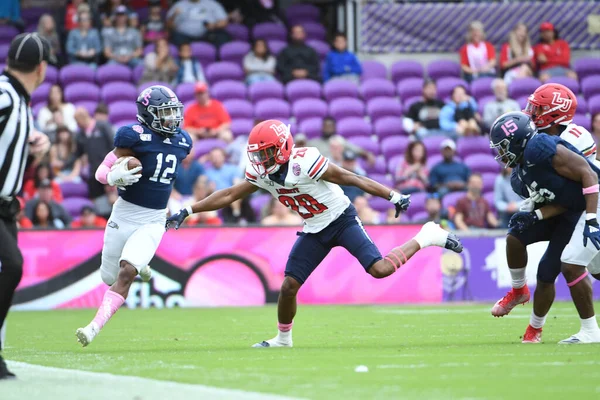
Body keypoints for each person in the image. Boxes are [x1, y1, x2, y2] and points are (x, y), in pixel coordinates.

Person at [166, 119, 463, 348]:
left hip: (342, 220)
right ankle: (283, 339)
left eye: (267, 152)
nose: (262, 159)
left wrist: (393, 195)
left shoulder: (305, 161)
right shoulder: (261, 172)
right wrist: (189, 210)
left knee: (380, 269)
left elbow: (351, 177)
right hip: (314, 228)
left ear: (283, 147)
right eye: (259, 153)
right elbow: (230, 193)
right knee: (288, 287)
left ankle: (427, 235)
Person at [75, 85, 192, 347]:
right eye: (165, 112)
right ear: (148, 115)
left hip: (153, 219)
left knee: (126, 272)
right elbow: (100, 173)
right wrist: (114, 176)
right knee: (109, 276)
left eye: (174, 112)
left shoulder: (183, 141)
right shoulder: (133, 137)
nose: (172, 118)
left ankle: (94, 327)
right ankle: (143, 264)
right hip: (125, 213)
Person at [491, 85, 599, 339]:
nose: (531, 112)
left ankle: (542, 329)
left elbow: (583, 181)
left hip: (583, 207)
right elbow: (558, 192)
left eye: (537, 107)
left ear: (556, 110)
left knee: (559, 267)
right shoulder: (530, 147)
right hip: (563, 206)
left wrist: (592, 219)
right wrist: (536, 209)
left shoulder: (570, 138)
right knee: (516, 235)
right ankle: (520, 294)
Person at [0, 33, 52, 378]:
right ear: (42, 68)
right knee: (13, 265)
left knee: (9, 271)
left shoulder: (19, 101)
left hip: (7, 207)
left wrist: (32, 152)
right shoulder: (5, 95)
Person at [74, 107, 115, 203]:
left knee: (112, 200)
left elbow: (113, 145)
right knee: (97, 202)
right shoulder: (80, 135)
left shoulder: (103, 126)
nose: (77, 124)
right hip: (93, 172)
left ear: (82, 118)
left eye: (77, 121)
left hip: (108, 169)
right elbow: (77, 153)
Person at [307, 117, 374, 162]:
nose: (327, 129)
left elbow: (356, 149)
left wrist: (367, 155)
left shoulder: (339, 141)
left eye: (330, 126)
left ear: (334, 128)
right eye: (325, 126)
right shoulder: (313, 143)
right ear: (322, 127)